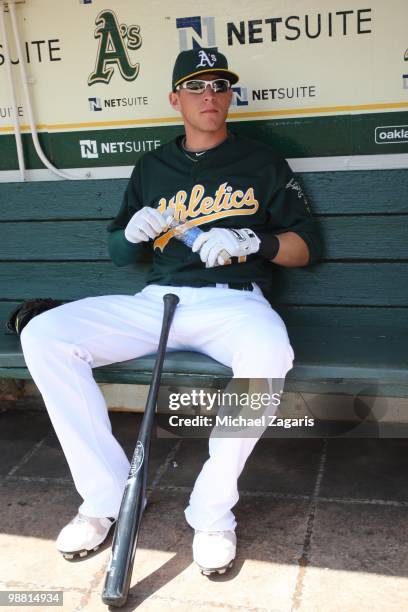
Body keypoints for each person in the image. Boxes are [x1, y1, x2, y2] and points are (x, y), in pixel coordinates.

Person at [20, 47, 321, 575]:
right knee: (45, 335)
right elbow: (119, 251)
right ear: (175, 98)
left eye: (220, 86)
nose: (210, 96)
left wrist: (253, 239)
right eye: (198, 86)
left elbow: (303, 248)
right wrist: (131, 233)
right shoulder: (152, 166)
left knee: (270, 352)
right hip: (157, 302)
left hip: (234, 302)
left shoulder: (262, 161)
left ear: (229, 96)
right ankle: (106, 497)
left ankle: (211, 511)